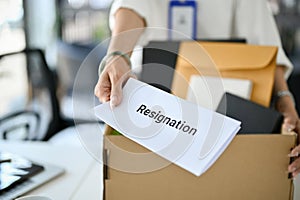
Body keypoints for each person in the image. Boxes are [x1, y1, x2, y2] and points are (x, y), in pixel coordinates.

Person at [94, 0, 300, 177]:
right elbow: (132, 7)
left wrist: (284, 99)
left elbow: (263, 42)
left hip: (233, 112)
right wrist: (117, 55)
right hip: (154, 98)